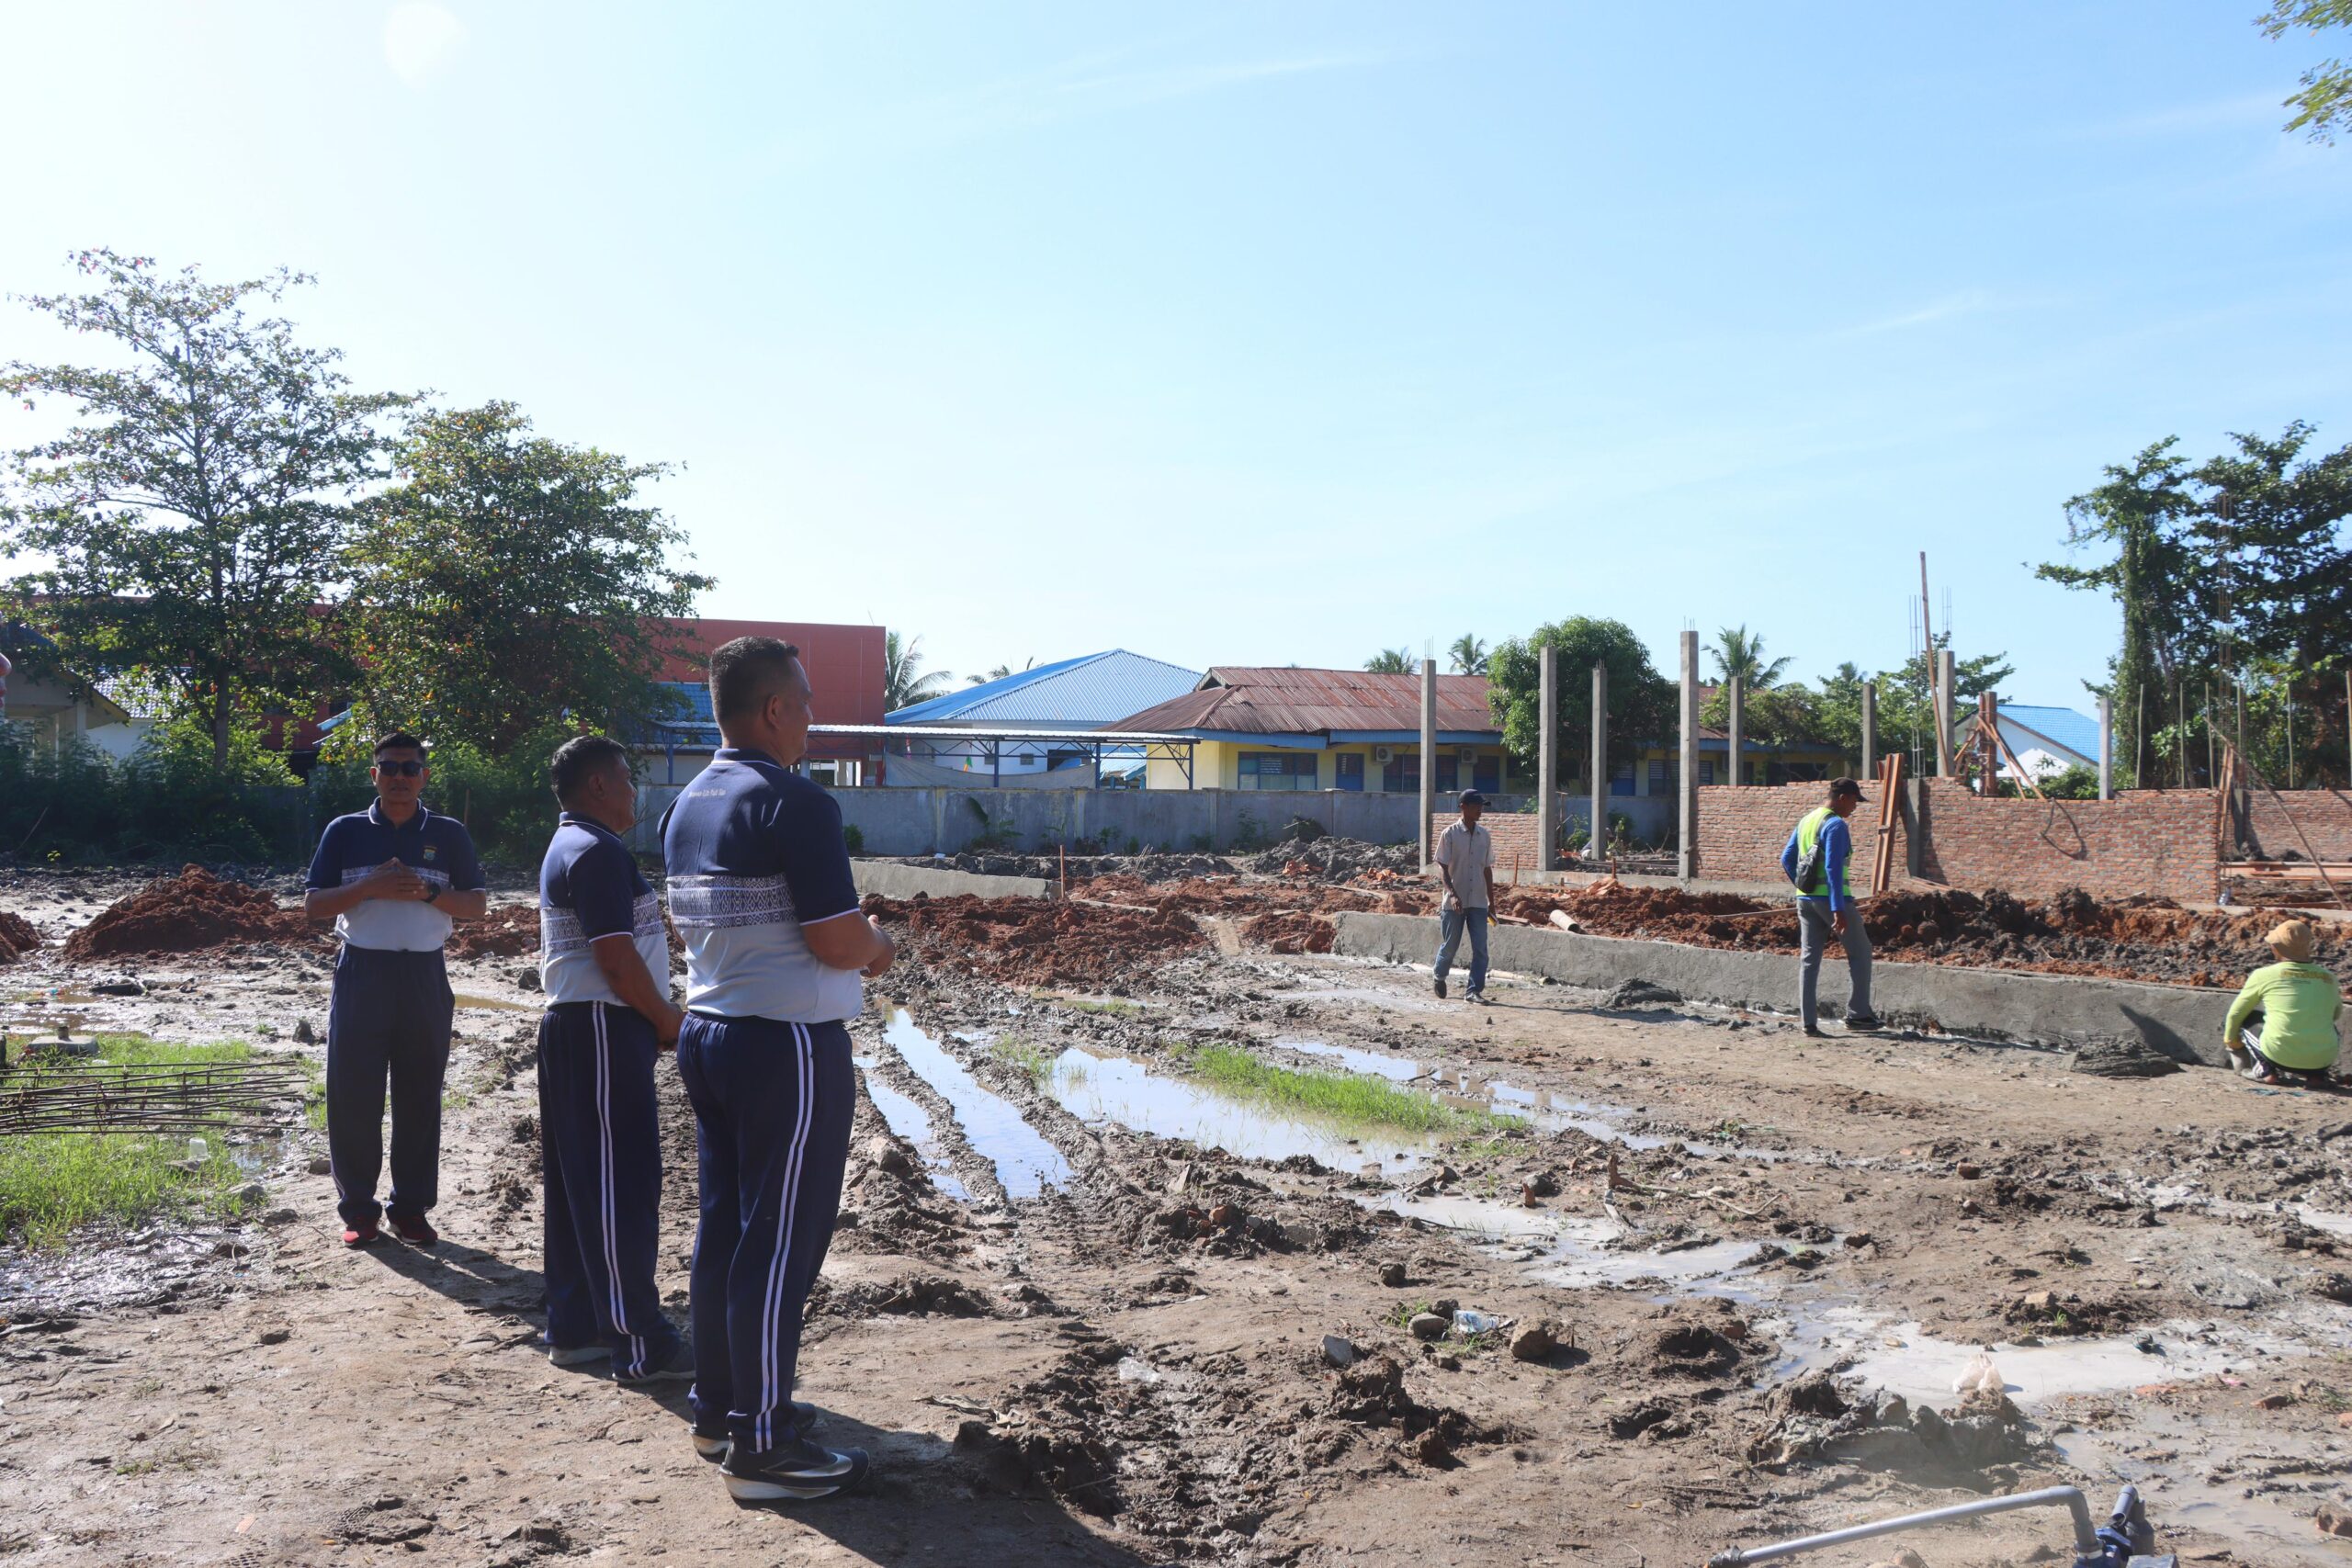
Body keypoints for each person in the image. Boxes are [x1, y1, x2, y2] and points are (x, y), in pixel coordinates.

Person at [661, 637, 895, 1502]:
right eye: (803, 702)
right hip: (788, 1043)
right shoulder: (796, 803)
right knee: (781, 1241)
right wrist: (881, 943)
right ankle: (761, 1446)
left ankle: (722, 1407)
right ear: (772, 710)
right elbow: (837, 939)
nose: (811, 718)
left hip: (713, 1029)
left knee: (724, 1228)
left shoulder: (686, 803)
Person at [535, 734, 693, 1382]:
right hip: (602, 1026)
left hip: (588, 1027)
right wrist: (664, 1018)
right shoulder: (595, 851)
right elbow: (615, 959)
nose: (635, 789)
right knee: (617, 1187)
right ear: (597, 784)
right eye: (626, 778)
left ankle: (577, 1327)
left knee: (582, 1187)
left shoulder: (577, 844)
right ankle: (638, 1339)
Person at [304, 732, 487, 1247]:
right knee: (353, 1095)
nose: (400, 778)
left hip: (425, 975)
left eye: (410, 769)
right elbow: (313, 906)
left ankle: (410, 1208)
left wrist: (429, 891)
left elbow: (477, 906)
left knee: (420, 1096)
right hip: (362, 973)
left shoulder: (449, 834)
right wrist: (368, 888)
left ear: (425, 776)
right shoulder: (345, 831)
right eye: (390, 768)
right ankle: (359, 1211)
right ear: (375, 775)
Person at [1779, 777, 1882, 1036]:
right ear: (1843, 797)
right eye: (1855, 801)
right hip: (1834, 902)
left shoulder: (1807, 820)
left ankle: (1808, 1023)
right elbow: (1833, 868)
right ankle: (1859, 1015)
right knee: (1860, 952)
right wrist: (1837, 908)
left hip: (1806, 900)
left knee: (1809, 959)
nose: (1855, 807)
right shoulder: (1836, 825)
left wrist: (1804, 887)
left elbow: (1787, 858)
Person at [2224, 919, 2341, 1085]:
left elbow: (2235, 1014)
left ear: (2276, 947)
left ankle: (2266, 1071)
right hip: (2322, 1057)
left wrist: (2232, 1043)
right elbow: (2335, 1014)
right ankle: (2316, 1076)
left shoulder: (2264, 975)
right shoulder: (2329, 977)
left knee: (2248, 1018)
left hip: (2279, 1055)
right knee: (2330, 1027)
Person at [1433, 789, 1496, 1004]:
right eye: (1476, 806)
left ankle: (1473, 991)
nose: (1480, 810)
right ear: (1463, 807)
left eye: (1481, 806)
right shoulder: (1449, 834)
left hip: (1478, 901)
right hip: (1454, 903)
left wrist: (1492, 903)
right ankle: (1439, 975)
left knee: (1481, 949)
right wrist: (1452, 894)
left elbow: (1487, 869)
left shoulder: (1484, 836)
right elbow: (1442, 867)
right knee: (1451, 945)